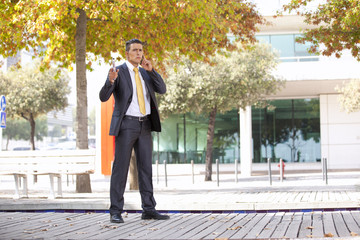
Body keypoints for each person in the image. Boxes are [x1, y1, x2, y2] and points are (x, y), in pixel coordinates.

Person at [99, 39, 169, 223]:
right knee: (120, 169)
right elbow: (103, 96)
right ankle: (115, 211)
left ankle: (149, 209)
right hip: (126, 126)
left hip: (145, 125)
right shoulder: (119, 72)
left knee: (146, 168)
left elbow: (162, 89)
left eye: (141, 50)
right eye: (135, 50)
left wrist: (152, 71)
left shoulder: (146, 73)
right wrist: (110, 81)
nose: (139, 53)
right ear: (127, 53)